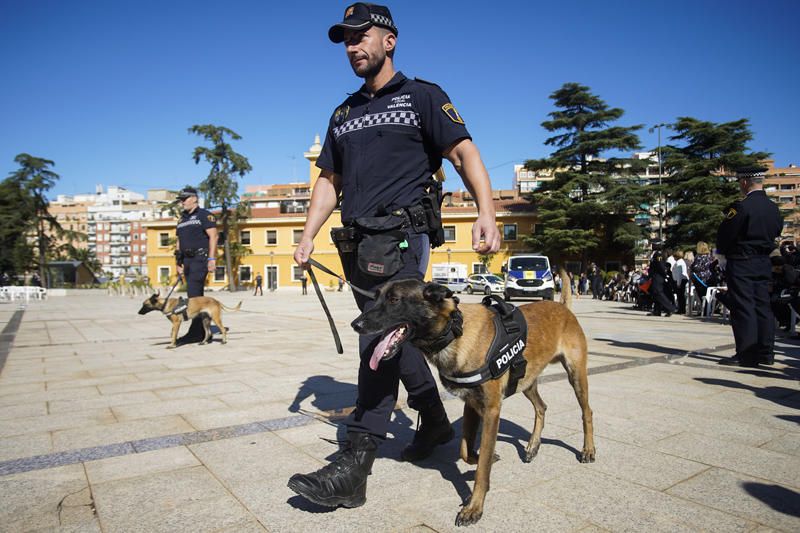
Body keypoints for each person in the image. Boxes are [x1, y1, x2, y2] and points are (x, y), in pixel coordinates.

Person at [288, 2, 501, 509]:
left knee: (377, 341)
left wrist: (486, 212)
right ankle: (432, 419)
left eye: (362, 35)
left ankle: (354, 466)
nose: (352, 45)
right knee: (395, 337)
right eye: (346, 39)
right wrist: (306, 233)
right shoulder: (343, 113)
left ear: (390, 40)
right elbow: (329, 181)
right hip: (358, 244)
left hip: (403, 238)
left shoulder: (422, 97)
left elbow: (465, 152)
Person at [716, 166, 782, 367]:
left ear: (744, 182)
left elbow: (726, 233)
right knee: (763, 305)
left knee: (744, 306)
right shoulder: (773, 208)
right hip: (763, 261)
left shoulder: (741, 207)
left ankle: (747, 353)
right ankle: (766, 352)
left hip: (742, 261)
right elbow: (777, 230)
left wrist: (722, 253)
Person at [172, 187, 218, 342]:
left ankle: (196, 332)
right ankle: (203, 331)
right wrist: (178, 262)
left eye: (184, 199)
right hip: (187, 260)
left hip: (200, 258)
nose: (181, 202)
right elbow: (179, 242)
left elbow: (213, 236)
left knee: (193, 295)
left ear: (194, 198)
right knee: (193, 295)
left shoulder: (204, 215)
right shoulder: (182, 219)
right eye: (180, 200)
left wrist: (211, 259)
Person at [647, 241, 675, 317]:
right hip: (655, 276)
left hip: (658, 276)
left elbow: (660, 266)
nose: (652, 246)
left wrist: (665, 275)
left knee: (658, 293)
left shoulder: (658, 254)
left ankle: (670, 308)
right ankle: (657, 310)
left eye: (653, 244)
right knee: (655, 294)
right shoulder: (655, 254)